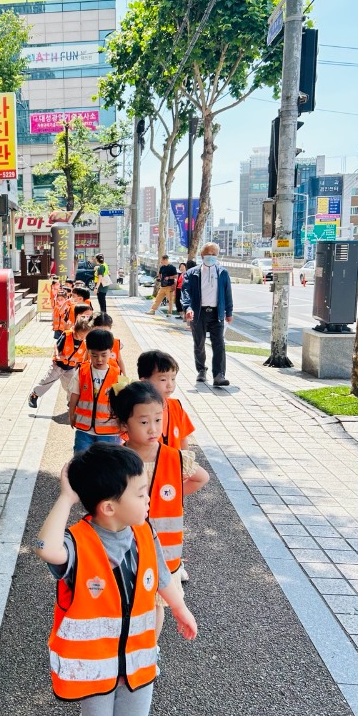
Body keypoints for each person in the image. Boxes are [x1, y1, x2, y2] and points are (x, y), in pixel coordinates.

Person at [35, 443, 197, 716]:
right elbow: (46, 547)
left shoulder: (144, 532)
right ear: (108, 507)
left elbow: (165, 574)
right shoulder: (78, 543)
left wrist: (181, 608)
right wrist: (66, 497)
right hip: (96, 668)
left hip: (139, 658)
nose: (149, 499)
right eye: (141, 493)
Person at [109, 381, 209, 638]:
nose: (153, 428)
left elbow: (201, 478)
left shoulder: (175, 457)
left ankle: (149, 652)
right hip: (125, 548)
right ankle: (124, 649)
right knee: (126, 600)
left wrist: (175, 496)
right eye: (144, 422)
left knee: (156, 604)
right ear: (124, 426)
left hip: (164, 553)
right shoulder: (116, 462)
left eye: (157, 419)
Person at [181, 242, 233, 387]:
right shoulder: (192, 273)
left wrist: (229, 312)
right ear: (202, 255)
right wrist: (188, 308)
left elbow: (228, 293)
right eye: (207, 254)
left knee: (219, 345)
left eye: (213, 254)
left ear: (217, 256)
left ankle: (219, 375)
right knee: (199, 344)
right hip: (199, 313)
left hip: (217, 313)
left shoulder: (223, 273)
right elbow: (186, 292)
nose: (210, 256)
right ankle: (201, 370)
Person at [68, 328, 122, 453]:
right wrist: (71, 413)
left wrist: (124, 422)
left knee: (108, 464)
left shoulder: (117, 374)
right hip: (84, 429)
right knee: (82, 460)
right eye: (94, 355)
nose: (99, 360)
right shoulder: (82, 372)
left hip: (109, 431)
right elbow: (74, 395)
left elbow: (122, 401)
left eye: (104, 355)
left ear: (111, 351)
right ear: (88, 352)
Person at [137, 350, 195, 450]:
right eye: (163, 379)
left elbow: (183, 438)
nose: (170, 384)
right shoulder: (138, 409)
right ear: (144, 381)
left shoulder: (176, 407)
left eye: (173, 379)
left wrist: (185, 461)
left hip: (174, 463)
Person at [28, 317, 90, 409]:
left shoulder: (84, 342)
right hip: (58, 365)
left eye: (84, 336)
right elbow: (57, 345)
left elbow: (84, 356)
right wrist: (57, 355)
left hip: (71, 367)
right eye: (81, 335)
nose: (82, 338)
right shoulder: (67, 335)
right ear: (75, 330)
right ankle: (34, 394)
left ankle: (71, 402)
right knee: (48, 380)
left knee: (71, 385)